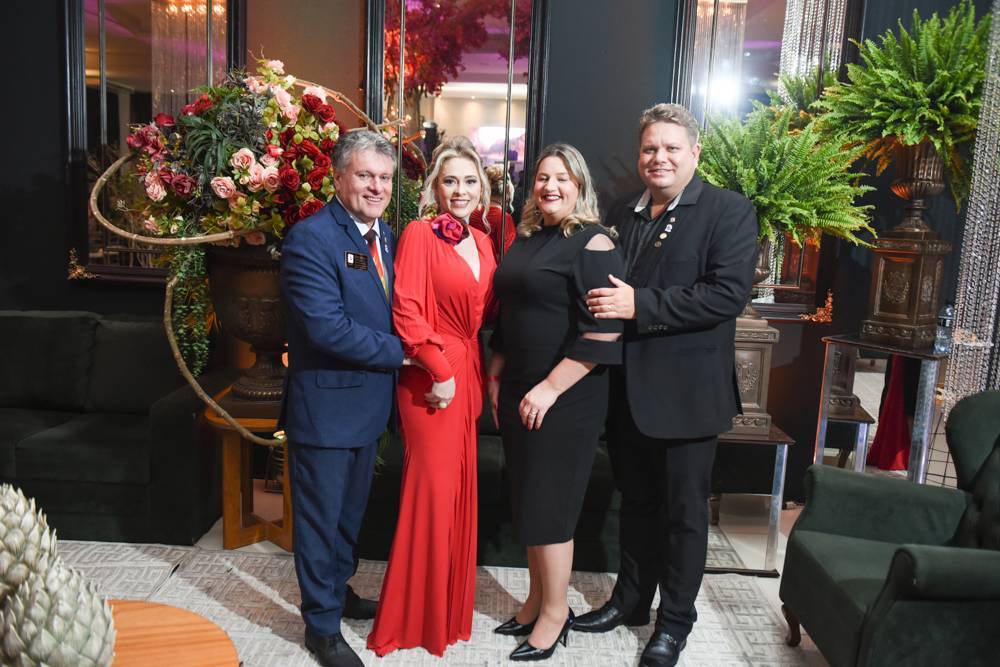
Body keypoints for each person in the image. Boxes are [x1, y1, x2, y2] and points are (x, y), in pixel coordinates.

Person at [577, 103, 758, 667]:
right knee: (636, 505)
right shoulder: (623, 213)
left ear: (694, 153)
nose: (659, 158)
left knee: (684, 517)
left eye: (671, 148)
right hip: (627, 394)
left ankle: (673, 624)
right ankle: (630, 602)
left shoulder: (728, 211)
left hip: (687, 397)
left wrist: (641, 305)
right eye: (650, 148)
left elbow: (726, 296)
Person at [487, 143, 624, 662]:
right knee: (529, 500)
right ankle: (534, 601)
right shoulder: (528, 237)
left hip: (566, 396)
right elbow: (511, 312)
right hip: (520, 388)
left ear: (579, 185)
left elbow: (605, 331)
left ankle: (555, 612)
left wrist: (549, 387)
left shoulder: (594, 243)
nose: (551, 186)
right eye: (543, 177)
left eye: (563, 178)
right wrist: (496, 374)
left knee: (551, 507)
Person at [367, 136, 497, 657]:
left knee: (456, 494)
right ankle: (412, 620)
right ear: (435, 189)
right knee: (431, 494)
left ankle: (445, 613)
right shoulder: (420, 234)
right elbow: (407, 310)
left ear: (482, 188)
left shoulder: (483, 242)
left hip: (468, 373)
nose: (460, 190)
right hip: (431, 377)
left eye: (469, 181)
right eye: (450, 181)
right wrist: (441, 372)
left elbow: (481, 318)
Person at [279, 130, 404, 667]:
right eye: (365, 175)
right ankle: (321, 627)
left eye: (385, 177)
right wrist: (405, 352)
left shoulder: (387, 237)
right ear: (337, 178)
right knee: (320, 521)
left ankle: (338, 590)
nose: (377, 187)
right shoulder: (310, 238)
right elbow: (326, 327)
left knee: (348, 518)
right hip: (325, 411)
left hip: (369, 409)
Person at [469, 163, 516, 262]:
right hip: (493, 268)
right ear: (507, 189)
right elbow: (508, 256)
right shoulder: (503, 218)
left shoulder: (473, 212)